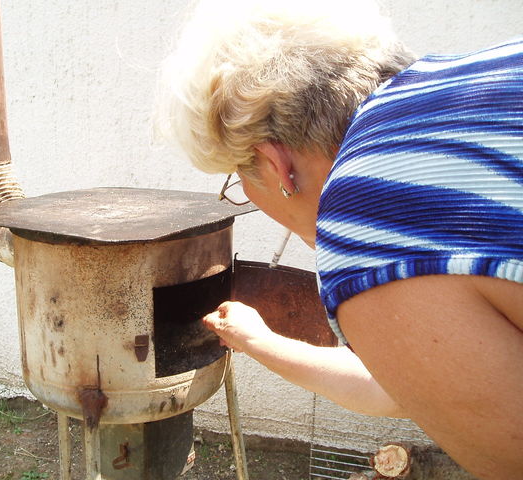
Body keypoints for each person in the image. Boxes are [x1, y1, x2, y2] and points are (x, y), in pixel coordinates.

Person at [156, 1, 523, 478]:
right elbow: (412, 379)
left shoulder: (364, 217)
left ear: (275, 165)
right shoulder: (484, 76)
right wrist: (259, 342)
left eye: (238, 178)